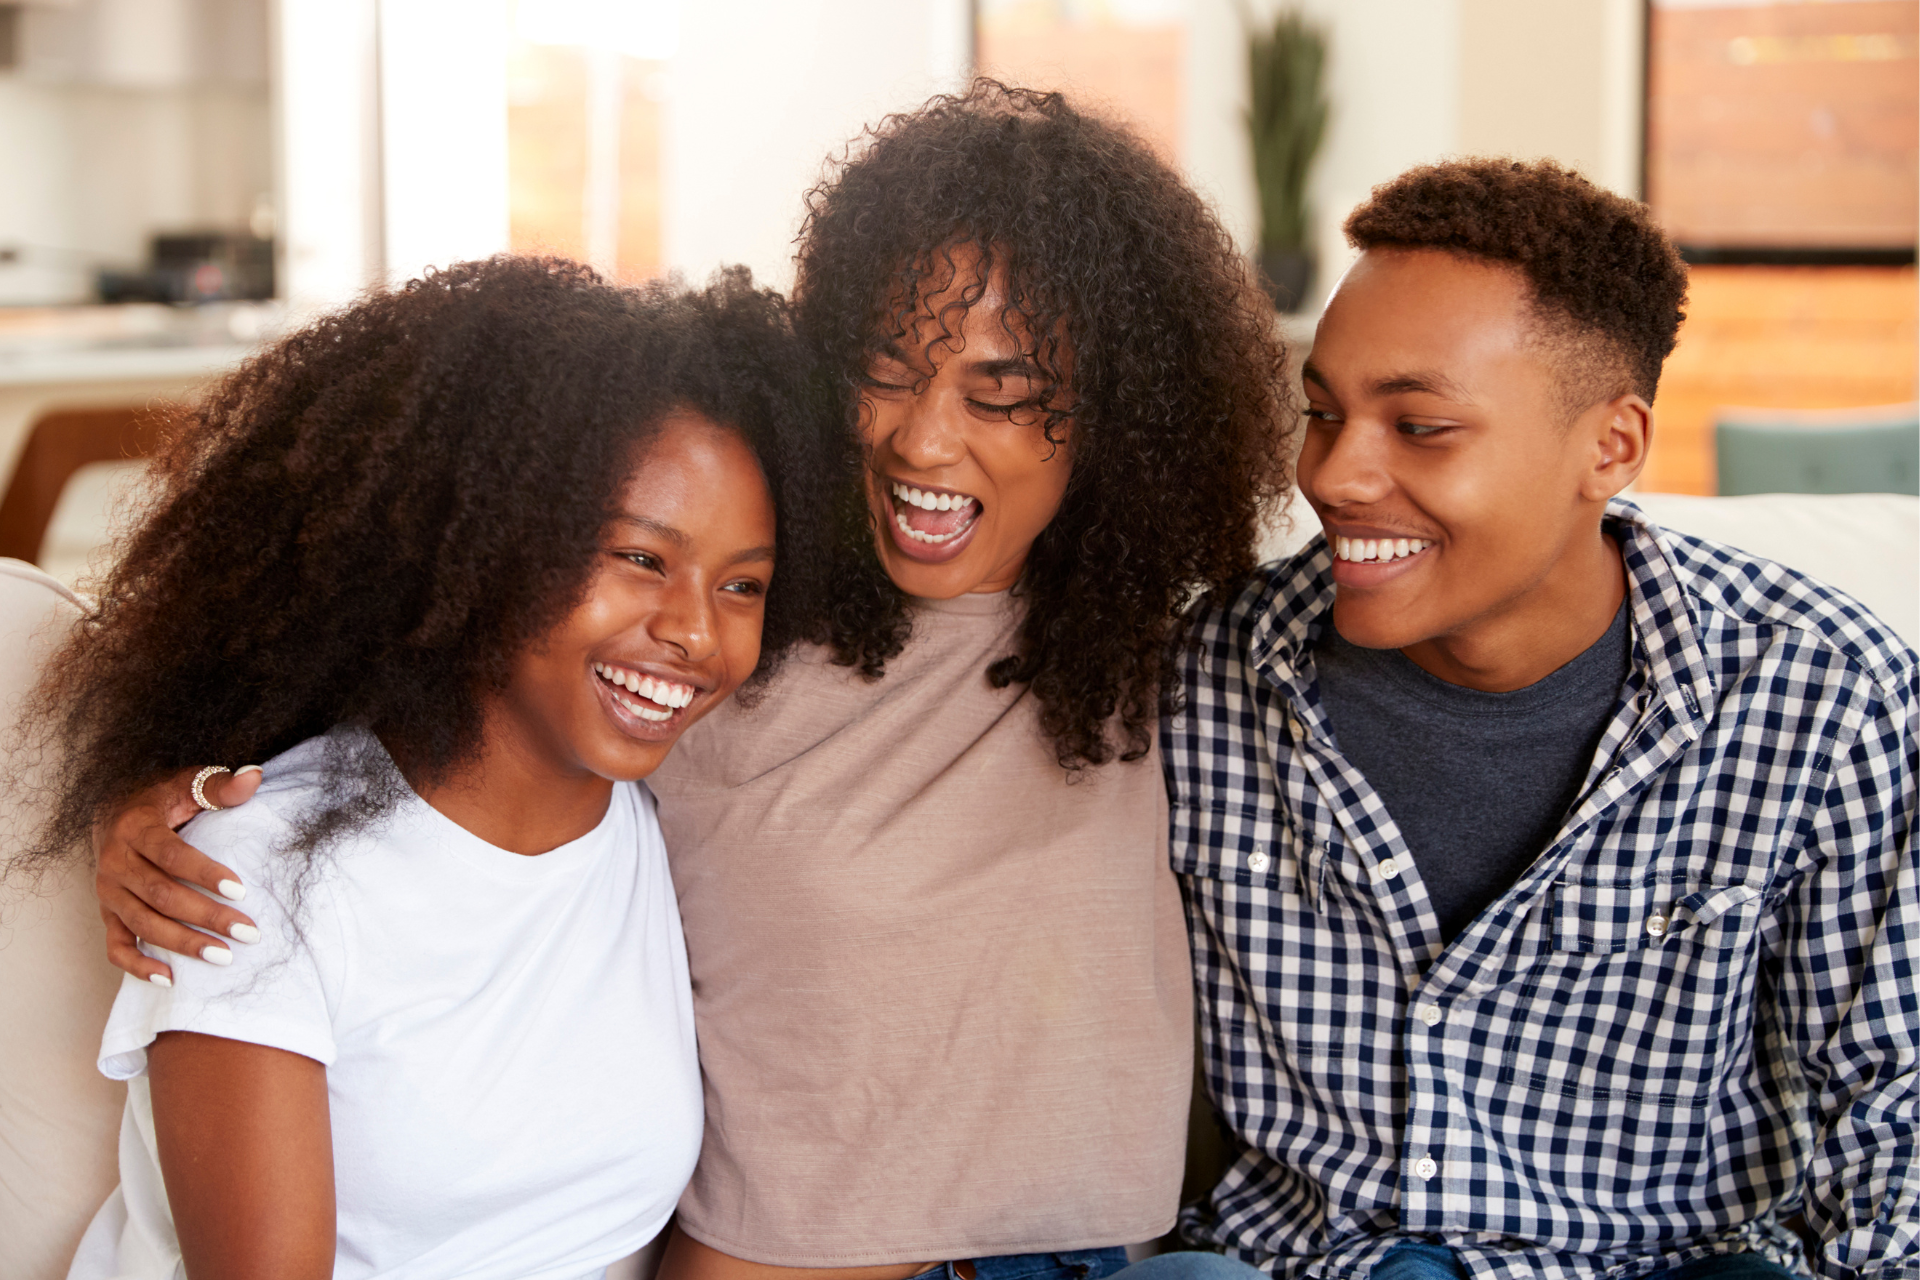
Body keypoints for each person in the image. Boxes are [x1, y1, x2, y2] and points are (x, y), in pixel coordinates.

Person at [79, 82, 1294, 1280]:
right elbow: (392, 659)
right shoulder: (716, 648)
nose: (925, 440)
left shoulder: (1167, 653)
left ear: (1118, 421)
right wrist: (155, 779)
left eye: (1005, 394)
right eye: (887, 366)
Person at [1167, 159, 1919, 1278]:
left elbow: (1899, 1113)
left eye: (1420, 426)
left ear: (1610, 447)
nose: (1334, 474)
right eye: (1323, 411)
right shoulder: (1203, 679)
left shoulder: (1824, 696)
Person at [18, 257, 839, 1279]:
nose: (694, 631)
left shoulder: (673, 819)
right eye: (639, 557)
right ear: (488, 539)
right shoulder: (252, 873)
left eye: (744, 584)